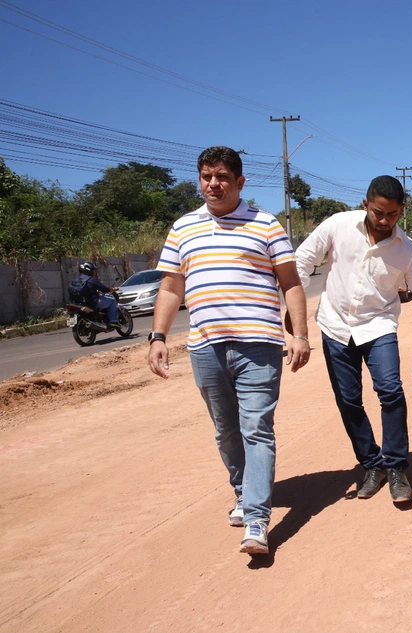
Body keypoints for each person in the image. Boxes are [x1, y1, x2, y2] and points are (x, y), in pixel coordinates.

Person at [147, 146, 311, 556]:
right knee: (226, 430)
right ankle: (242, 491)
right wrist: (158, 336)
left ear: (240, 182)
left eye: (221, 177)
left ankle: (256, 518)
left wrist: (300, 334)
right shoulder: (183, 228)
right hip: (205, 347)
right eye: (206, 176)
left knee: (257, 428)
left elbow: (290, 282)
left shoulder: (266, 225)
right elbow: (171, 287)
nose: (213, 184)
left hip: (259, 346)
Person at [294, 175, 412, 505]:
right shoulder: (339, 225)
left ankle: (397, 467)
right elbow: (302, 260)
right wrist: (296, 308)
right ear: (365, 205)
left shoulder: (408, 251)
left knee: (390, 391)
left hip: (378, 326)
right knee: (348, 400)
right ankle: (373, 464)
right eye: (377, 213)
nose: (384, 220)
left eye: (392, 214)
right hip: (335, 325)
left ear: (402, 210)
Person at [68, 262, 119, 327]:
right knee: (112, 301)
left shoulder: (75, 280)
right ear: (89, 271)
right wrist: (112, 289)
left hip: (76, 303)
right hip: (91, 302)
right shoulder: (91, 280)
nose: (93, 272)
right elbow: (104, 289)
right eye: (92, 271)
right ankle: (113, 321)